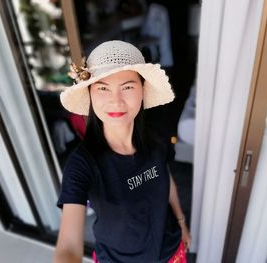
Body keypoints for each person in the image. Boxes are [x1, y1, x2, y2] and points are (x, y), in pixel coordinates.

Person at [53, 40, 191, 263]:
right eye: (102, 88)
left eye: (127, 87)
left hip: (172, 253)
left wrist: (182, 222)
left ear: (143, 91)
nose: (115, 101)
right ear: (89, 94)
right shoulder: (82, 164)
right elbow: (68, 247)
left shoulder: (156, 138)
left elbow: (166, 177)